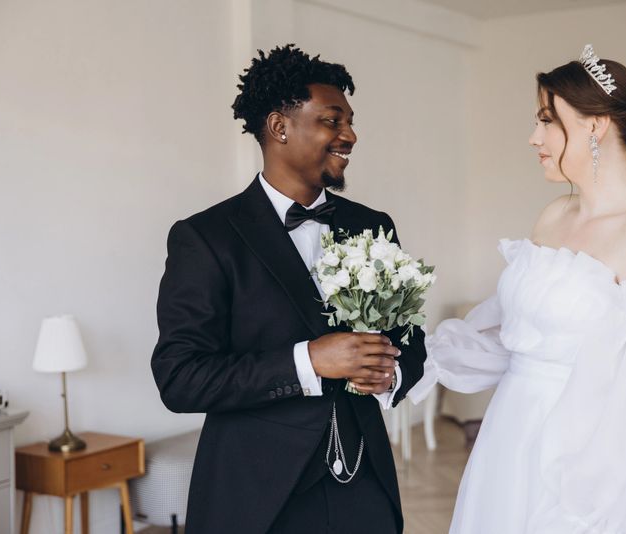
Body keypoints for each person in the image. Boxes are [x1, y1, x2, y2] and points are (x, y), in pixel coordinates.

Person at [409, 44, 626, 533]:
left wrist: (597, 491)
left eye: (546, 120)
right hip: (511, 436)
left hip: (590, 458)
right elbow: (519, 335)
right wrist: (425, 356)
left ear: (595, 124)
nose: (533, 137)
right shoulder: (553, 215)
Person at [151, 44, 426, 534]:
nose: (350, 135)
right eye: (333, 121)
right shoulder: (205, 237)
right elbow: (180, 378)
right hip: (257, 496)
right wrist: (310, 361)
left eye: (350, 121)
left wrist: (389, 375)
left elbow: (410, 342)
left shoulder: (373, 225)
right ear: (280, 127)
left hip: (365, 489)